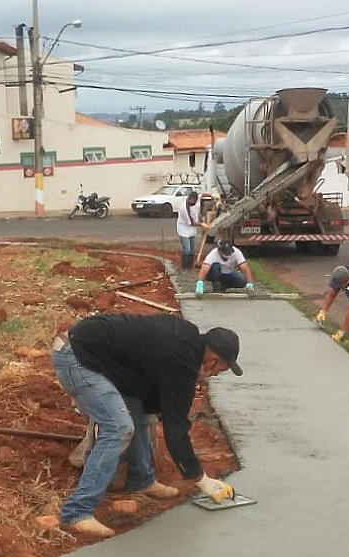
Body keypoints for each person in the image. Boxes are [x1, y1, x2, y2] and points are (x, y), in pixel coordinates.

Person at [50, 313, 241, 537]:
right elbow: (175, 428)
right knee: (119, 429)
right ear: (213, 359)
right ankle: (77, 513)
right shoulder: (180, 360)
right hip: (77, 357)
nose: (216, 375)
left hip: (97, 354)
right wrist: (201, 479)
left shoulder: (186, 341)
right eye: (220, 370)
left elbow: (154, 393)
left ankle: (141, 479)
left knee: (140, 411)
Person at [175, 192, 202, 270]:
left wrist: (213, 196)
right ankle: (185, 267)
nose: (195, 203)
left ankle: (190, 266)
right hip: (184, 229)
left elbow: (202, 195)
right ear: (190, 199)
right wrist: (202, 224)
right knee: (187, 250)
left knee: (192, 250)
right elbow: (191, 223)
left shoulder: (196, 199)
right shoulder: (184, 208)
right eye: (193, 201)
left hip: (192, 231)